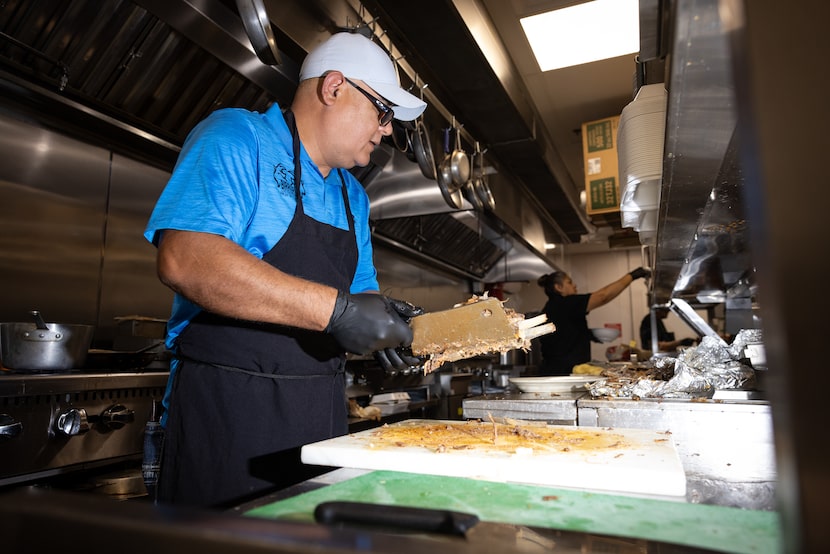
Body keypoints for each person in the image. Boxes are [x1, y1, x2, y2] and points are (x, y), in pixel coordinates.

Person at [143, 32, 427, 508]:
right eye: (382, 112)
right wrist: (338, 313)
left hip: (320, 421)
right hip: (226, 415)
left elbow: (361, 297)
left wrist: (392, 332)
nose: (386, 132)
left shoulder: (352, 195)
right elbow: (186, 258)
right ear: (334, 87)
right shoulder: (238, 136)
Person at [537, 268, 650, 375]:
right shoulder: (564, 304)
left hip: (558, 370)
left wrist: (591, 335)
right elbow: (603, 296)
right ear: (559, 287)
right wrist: (632, 276)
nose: (575, 285)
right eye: (569, 282)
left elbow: (565, 332)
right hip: (562, 372)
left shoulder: (555, 307)